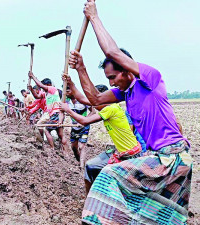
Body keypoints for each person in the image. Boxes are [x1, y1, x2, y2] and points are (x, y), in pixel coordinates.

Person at [69, 1, 192, 224]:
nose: (111, 83)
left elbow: (112, 51)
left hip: (173, 158)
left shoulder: (150, 79)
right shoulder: (126, 94)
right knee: (161, 214)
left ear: (127, 71)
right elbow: (95, 99)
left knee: (108, 175)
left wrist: (94, 17)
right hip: (158, 157)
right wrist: (81, 69)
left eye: (113, 77)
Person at [60, 84, 142, 196]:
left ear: (103, 98)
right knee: (90, 166)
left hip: (129, 154)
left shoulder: (110, 109)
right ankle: (90, 199)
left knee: (115, 181)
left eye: (95, 98)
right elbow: (81, 98)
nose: (93, 102)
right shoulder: (107, 106)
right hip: (120, 150)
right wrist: (71, 82)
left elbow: (84, 121)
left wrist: (68, 110)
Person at [28, 72, 67, 150]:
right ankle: (62, 149)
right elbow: (37, 96)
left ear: (48, 84)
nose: (42, 88)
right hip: (52, 114)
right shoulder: (45, 93)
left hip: (56, 113)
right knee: (60, 133)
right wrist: (31, 89)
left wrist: (33, 77)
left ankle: (52, 148)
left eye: (44, 86)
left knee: (47, 129)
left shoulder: (52, 89)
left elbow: (41, 85)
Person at [63, 75, 94, 167]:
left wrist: (85, 120)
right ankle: (79, 161)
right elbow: (62, 112)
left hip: (84, 126)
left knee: (82, 146)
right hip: (74, 127)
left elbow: (93, 112)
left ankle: (82, 166)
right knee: (74, 147)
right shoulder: (66, 101)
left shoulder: (82, 100)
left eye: (67, 91)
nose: (66, 93)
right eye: (65, 91)